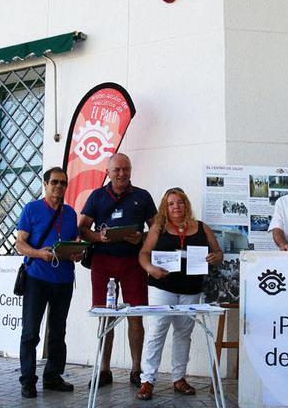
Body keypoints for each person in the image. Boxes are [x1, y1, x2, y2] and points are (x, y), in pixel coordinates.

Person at [77, 153, 157, 387]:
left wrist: (140, 238)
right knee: (105, 316)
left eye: (126, 169)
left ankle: (136, 369)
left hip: (133, 263)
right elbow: (82, 229)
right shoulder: (97, 196)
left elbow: (155, 230)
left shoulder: (142, 196)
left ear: (131, 170)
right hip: (103, 262)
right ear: (108, 172)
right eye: (117, 170)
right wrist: (99, 237)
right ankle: (104, 369)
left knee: (136, 315)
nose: (122, 173)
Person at [136, 187, 223, 401]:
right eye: (171, 203)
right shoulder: (159, 227)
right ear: (165, 207)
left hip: (191, 288)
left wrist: (215, 258)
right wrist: (150, 269)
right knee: (156, 331)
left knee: (184, 333)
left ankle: (179, 377)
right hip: (162, 287)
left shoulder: (201, 227)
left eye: (180, 202)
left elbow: (218, 253)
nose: (176, 207)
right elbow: (144, 253)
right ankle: (147, 380)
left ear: (186, 204)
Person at [14, 167, 83, 399]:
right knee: (31, 332)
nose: (59, 187)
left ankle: (53, 377)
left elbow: (74, 242)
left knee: (58, 331)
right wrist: (37, 253)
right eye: (54, 182)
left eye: (63, 183)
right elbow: (20, 244)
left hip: (63, 279)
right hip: (37, 278)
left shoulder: (71, 213)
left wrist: (77, 253)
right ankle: (28, 381)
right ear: (45, 184)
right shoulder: (31, 209)